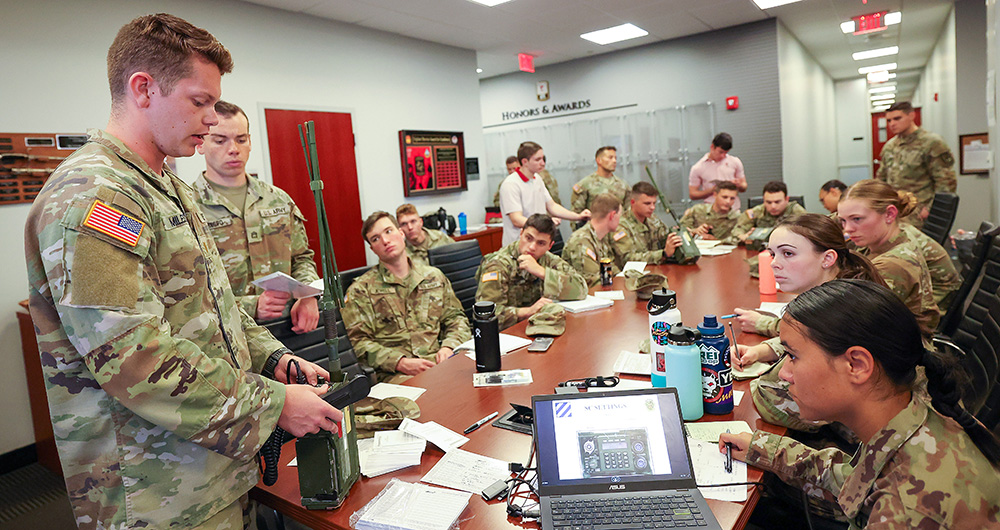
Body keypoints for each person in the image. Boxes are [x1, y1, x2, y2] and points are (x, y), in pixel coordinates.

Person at [23, 14, 341, 529]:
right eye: (200, 103)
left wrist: (274, 358)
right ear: (144, 88)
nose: (213, 121)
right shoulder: (96, 197)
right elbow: (134, 356)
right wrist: (274, 404)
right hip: (155, 495)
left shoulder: (165, 185)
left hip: (211, 466)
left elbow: (208, 313)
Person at [721, 280, 1000, 529]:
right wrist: (763, 449)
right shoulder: (911, 418)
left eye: (793, 356)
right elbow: (854, 476)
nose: (784, 373)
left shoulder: (906, 508)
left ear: (857, 365)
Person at [193, 100, 320, 334]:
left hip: (289, 330)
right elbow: (190, 292)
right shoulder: (189, 207)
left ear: (250, 142)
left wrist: (309, 295)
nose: (233, 148)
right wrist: (251, 306)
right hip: (227, 338)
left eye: (241, 139)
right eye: (220, 140)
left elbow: (302, 257)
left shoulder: (278, 200)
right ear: (201, 143)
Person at [342, 211, 470, 383]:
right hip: (396, 375)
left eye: (388, 231)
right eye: (375, 239)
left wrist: (448, 346)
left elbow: (456, 318)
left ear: (401, 234)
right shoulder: (361, 290)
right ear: (372, 249)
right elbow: (357, 343)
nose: (385, 241)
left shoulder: (433, 276)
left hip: (442, 362)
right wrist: (400, 362)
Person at [838, 179, 941, 335]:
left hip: (898, 349)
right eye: (843, 221)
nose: (847, 230)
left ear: (890, 214)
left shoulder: (891, 264)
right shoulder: (883, 240)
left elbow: (850, 319)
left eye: (857, 219)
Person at [475, 214, 587, 330]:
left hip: (538, 327)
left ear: (550, 246)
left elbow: (581, 288)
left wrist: (542, 272)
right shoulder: (497, 265)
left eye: (541, 243)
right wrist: (527, 311)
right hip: (508, 334)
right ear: (521, 233)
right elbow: (486, 316)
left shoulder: (548, 259)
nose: (532, 247)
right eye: (528, 238)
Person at [875, 101, 957, 229]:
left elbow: (946, 182)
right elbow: (881, 179)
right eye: (889, 120)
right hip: (895, 211)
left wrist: (932, 210)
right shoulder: (889, 147)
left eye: (897, 118)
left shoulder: (931, 143)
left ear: (911, 116)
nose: (892, 124)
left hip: (920, 211)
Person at [498, 141, 590, 244]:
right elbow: (516, 219)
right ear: (525, 162)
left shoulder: (537, 179)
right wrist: (545, 224)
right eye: (537, 159)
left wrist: (578, 216)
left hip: (538, 243)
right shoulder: (511, 184)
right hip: (518, 246)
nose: (543, 163)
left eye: (543, 158)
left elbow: (552, 206)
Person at [612, 181, 684, 265]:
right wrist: (663, 254)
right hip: (632, 275)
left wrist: (676, 236)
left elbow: (664, 237)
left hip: (656, 269)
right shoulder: (620, 226)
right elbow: (627, 259)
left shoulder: (652, 219)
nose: (652, 207)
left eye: (654, 203)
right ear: (632, 202)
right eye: (647, 203)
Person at [562, 193, 623, 286]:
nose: (620, 220)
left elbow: (610, 268)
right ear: (612, 215)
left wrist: (623, 278)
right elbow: (593, 282)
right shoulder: (581, 242)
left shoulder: (600, 238)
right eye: (619, 215)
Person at [727, 180, 806, 246]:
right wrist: (743, 236)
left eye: (777, 202)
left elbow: (809, 232)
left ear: (787, 199)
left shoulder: (797, 211)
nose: (773, 206)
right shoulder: (757, 211)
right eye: (768, 202)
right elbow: (738, 229)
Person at [688, 132, 748, 211]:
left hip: (733, 211)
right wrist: (712, 190)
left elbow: (744, 186)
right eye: (720, 152)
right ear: (712, 147)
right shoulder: (698, 168)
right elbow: (693, 194)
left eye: (726, 153)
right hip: (711, 212)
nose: (723, 156)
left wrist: (739, 185)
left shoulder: (735, 162)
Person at [570, 146, 629, 213]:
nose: (614, 161)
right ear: (599, 160)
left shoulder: (623, 185)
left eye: (615, 158)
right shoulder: (585, 184)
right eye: (610, 158)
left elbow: (628, 213)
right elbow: (576, 214)